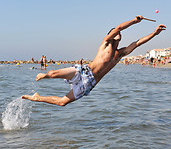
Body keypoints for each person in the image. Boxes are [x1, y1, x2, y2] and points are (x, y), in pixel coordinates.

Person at [22, 16, 166, 106]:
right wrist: (134, 21)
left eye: (120, 34)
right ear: (110, 35)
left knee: (62, 103)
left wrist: (155, 33)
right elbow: (119, 27)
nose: (119, 34)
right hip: (83, 72)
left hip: (90, 83)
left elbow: (138, 42)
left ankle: (37, 98)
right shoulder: (105, 43)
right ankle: (45, 75)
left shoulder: (120, 54)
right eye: (116, 33)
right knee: (52, 73)